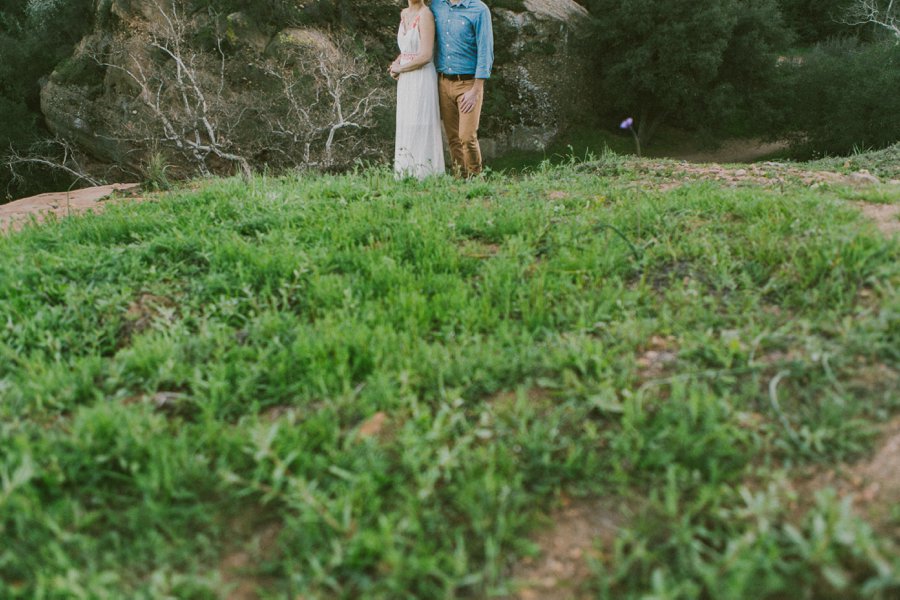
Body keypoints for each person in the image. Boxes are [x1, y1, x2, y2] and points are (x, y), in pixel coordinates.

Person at [431, 0, 493, 178]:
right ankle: (460, 179)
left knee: (467, 137)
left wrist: (476, 90)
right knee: (453, 139)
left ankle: (476, 179)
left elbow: (485, 52)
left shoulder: (479, 10)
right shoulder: (437, 6)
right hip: (443, 82)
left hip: (468, 84)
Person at [390, 0, 445, 180]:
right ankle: (406, 173)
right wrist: (396, 63)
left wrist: (402, 69)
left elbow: (426, 55)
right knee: (406, 122)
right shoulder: (404, 13)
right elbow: (406, 49)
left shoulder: (426, 14)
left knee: (420, 122)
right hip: (406, 79)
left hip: (421, 77)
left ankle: (425, 175)